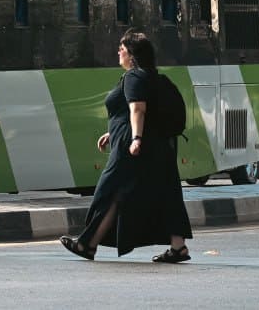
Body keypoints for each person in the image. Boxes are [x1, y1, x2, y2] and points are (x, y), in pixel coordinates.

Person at [60, 29, 192, 263]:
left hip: (132, 147)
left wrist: (136, 138)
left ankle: (87, 244)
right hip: (159, 145)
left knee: (110, 191)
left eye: (121, 49)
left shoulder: (134, 77)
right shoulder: (153, 77)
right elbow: (137, 113)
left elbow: (138, 109)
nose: (118, 52)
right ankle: (178, 246)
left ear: (132, 55)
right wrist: (113, 132)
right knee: (166, 193)